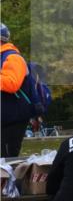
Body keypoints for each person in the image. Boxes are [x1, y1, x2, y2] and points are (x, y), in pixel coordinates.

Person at [1, 23, 32, 157]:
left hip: (12, 120)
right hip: (5, 118)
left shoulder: (12, 57)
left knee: (7, 160)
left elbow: (12, 83)